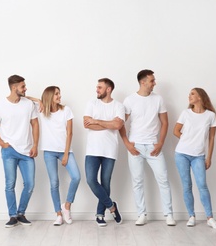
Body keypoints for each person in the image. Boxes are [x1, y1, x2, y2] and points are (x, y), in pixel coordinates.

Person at [119, 69, 176, 226]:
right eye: (152, 80)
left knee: (163, 179)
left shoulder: (158, 99)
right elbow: (120, 123)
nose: (154, 83)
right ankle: (141, 214)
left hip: (153, 146)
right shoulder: (129, 100)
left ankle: (169, 214)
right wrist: (127, 144)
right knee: (137, 181)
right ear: (142, 82)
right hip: (135, 146)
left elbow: (165, 122)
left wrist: (160, 143)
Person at [0, 75, 39, 228]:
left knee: (29, 184)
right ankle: (12, 215)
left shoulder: (28, 104)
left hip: (27, 151)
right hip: (9, 150)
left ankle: (21, 213)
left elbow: (35, 124)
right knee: (10, 184)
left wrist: (35, 145)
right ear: (14, 87)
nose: (25, 88)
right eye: (22, 86)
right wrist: (2, 143)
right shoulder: (0, 106)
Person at [27, 86, 81, 226]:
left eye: (59, 93)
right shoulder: (43, 111)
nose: (59, 96)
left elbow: (70, 133)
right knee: (54, 183)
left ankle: (67, 206)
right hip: (49, 152)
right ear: (50, 96)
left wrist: (65, 154)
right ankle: (58, 214)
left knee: (76, 177)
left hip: (65, 151)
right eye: (56, 94)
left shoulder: (66, 110)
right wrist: (38, 100)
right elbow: (27, 99)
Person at [173, 88, 216, 230]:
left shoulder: (210, 116)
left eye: (192, 94)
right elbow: (176, 130)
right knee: (187, 186)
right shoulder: (185, 113)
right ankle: (191, 216)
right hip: (181, 153)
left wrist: (209, 157)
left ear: (200, 97)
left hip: (199, 156)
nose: (189, 96)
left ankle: (210, 218)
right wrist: (187, 140)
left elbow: (212, 138)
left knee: (202, 185)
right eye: (189, 94)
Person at [84, 78, 124, 227]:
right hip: (93, 149)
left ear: (108, 89)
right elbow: (87, 124)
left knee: (105, 183)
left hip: (110, 149)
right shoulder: (91, 103)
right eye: (97, 87)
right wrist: (109, 123)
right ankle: (112, 207)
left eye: (100, 87)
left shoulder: (119, 106)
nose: (97, 90)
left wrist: (97, 121)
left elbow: (118, 125)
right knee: (91, 180)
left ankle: (100, 214)